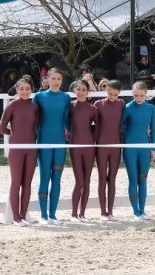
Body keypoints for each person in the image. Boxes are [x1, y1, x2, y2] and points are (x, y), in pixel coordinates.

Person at [33, 67, 71, 225]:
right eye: (53, 78)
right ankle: (43, 215)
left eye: (59, 79)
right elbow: (33, 120)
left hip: (60, 143)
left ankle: (53, 215)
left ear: (62, 81)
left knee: (57, 179)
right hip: (44, 141)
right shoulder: (39, 96)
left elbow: (68, 121)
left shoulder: (66, 98)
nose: (56, 82)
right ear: (47, 79)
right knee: (44, 177)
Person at [0, 79, 39, 226]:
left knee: (27, 183)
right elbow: (1, 128)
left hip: (32, 148)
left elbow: (36, 127)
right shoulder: (12, 105)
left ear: (32, 89)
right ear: (16, 89)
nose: (25, 91)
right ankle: (16, 217)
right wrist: (14, 133)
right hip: (16, 148)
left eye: (28, 88)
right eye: (21, 89)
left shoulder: (34, 106)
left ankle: (23, 215)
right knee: (16, 182)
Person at [120, 81, 155, 220]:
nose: (139, 98)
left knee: (143, 179)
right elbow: (119, 127)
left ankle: (142, 210)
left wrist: (153, 149)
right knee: (133, 179)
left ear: (146, 93)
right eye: (135, 95)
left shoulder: (151, 108)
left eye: (141, 95)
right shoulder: (128, 107)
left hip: (145, 148)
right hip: (130, 148)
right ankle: (135, 211)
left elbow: (153, 129)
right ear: (132, 94)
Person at [94, 79, 124, 221]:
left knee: (112, 179)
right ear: (106, 90)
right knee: (101, 178)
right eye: (110, 93)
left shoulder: (121, 104)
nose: (112, 97)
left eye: (115, 95)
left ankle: (110, 211)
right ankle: (102, 212)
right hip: (101, 145)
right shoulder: (98, 104)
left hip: (116, 146)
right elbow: (93, 127)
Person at [69, 80, 98, 221]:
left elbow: (98, 128)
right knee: (79, 181)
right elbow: (64, 122)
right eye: (78, 89)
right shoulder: (69, 106)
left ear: (88, 92)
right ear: (74, 90)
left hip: (89, 147)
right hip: (75, 146)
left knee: (87, 181)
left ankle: (82, 213)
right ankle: (74, 213)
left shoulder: (92, 109)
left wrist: (92, 140)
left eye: (83, 90)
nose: (80, 92)